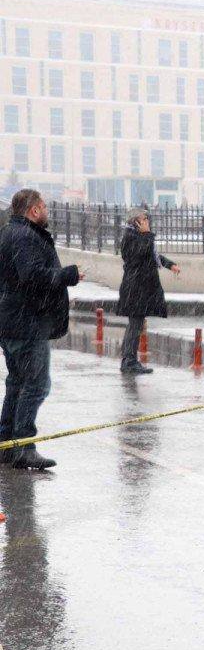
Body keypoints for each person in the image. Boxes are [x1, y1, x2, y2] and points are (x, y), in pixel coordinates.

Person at [0, 189, 83, 470]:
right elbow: (32, 277)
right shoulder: (25, 237)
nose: (47, 211)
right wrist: (67, 275)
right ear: (34, 210)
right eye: (44, 206)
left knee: (17, 383)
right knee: (36, 385)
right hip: (27, 323)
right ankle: (23, 445)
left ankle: (7, 444)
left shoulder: (9, 233)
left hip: (13, 320)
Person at [116, 209, 181, 375]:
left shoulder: (139, 237)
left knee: (135, 324)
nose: (147, 221)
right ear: (136, 223)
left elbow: (153, 256)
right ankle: (129, 361)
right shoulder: (130, 237)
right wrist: (146, 234)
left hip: (140, 287)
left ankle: (129, 359)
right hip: (135, 287)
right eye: (144, 219)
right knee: (135, 324)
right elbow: (138, 254)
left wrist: (170, 264)